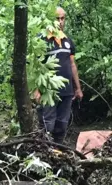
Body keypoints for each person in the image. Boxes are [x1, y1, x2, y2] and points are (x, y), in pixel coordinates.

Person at [33, 7, 83, 144]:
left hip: (67, 89)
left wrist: (77, 88)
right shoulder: (41, 40)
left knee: (62, 123)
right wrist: (37, 89)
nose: (60, 22)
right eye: (57, 18)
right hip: (48, 89)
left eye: (63, 18)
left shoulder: (68, 41)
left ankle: (58, 149)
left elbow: (72, 65)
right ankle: (45, 149)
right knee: (48, 122)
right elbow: (36, 66)